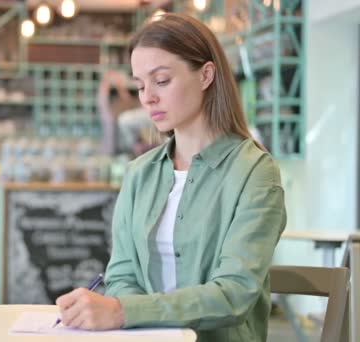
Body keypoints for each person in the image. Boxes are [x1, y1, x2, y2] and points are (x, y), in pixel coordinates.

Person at [56, 13, 286, 342]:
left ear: (206, 74)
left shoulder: (254, 172)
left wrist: (124, 312)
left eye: (161, 80)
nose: (147, 96)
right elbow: (122, 275)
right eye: (139, 85)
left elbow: (235, 293)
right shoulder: (139, 174)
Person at [97, 70, 158, 157]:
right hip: (116, 140)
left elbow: (127, 98)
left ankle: (134, 148)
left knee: (122, 123)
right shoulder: (105, 94)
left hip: (125, 140)